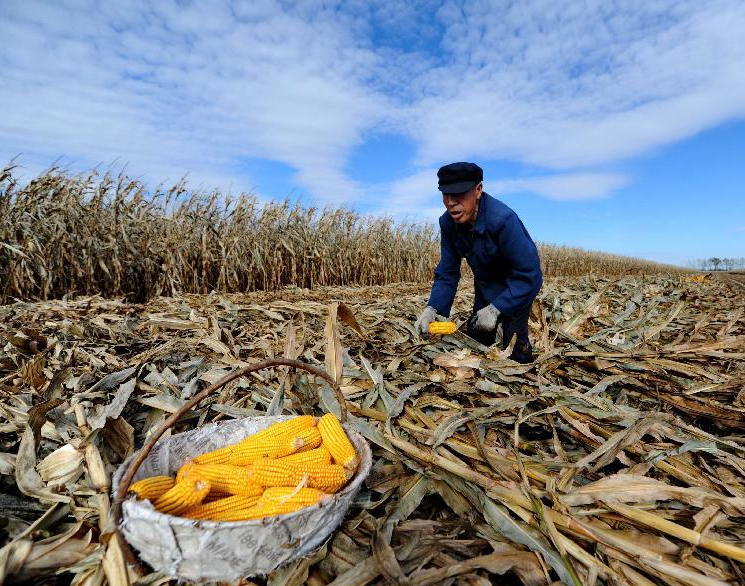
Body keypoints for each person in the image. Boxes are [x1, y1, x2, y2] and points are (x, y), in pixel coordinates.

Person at [415, 162, 542, 363]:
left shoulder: (503, 220)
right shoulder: (448, 223)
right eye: (445, 195)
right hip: (485, 289)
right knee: (479, 348)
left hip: (515, 292)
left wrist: (496, 309)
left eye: (458, 195)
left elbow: (530, 276)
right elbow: (448, 273)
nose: (451, 203)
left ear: (478, 190)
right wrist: (433, 309)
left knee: (516, 356)